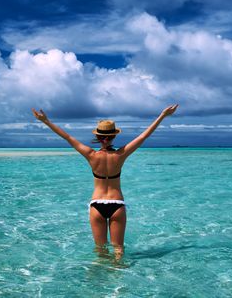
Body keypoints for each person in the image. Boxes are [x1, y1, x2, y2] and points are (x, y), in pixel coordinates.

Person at [31, 104, 179, 259]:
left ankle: (101, 281)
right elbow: (143, 137)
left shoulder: (90, 155)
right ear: (113, 136)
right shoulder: (120, 155)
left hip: (97, 205)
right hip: (117, 204)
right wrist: (162, 115)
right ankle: (120, 279)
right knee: (118, 250)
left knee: (101, 251)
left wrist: (46, 121)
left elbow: (67, 137)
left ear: (98, 137)